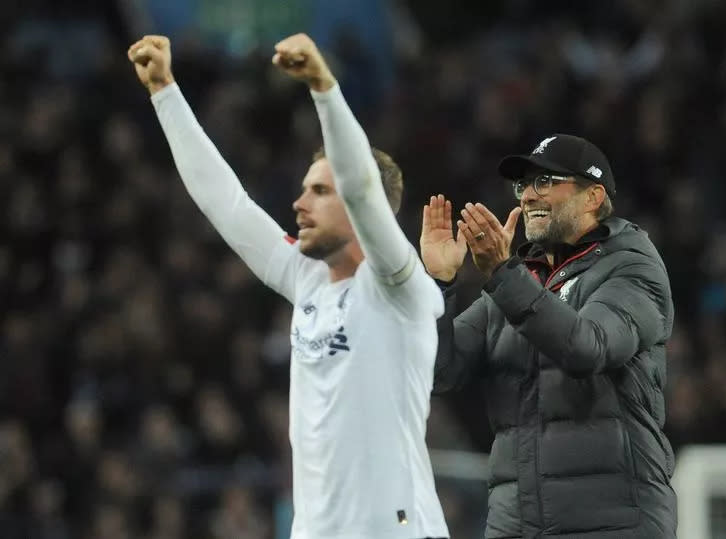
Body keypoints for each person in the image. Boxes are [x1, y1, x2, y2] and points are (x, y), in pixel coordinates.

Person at [127, 33, 449, 539]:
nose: (299, 204)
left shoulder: (396, 287)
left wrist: (324, 88)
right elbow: (225, 202)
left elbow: (362, 187)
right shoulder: (307, 280)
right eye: (303, 190)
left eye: (319, 191)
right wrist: (165, 93)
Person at [420, 134, 677, 537]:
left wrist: (504, 274)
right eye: (523, 185)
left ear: (592, 197)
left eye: (545, 182)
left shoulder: (631, 268)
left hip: (611, 522)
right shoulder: (520, 280)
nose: (527, 197)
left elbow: (586, 348)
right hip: (516, 524)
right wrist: (437, 284)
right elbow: (437, 371)